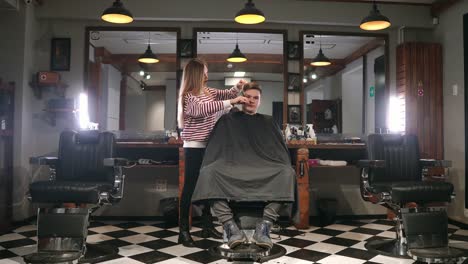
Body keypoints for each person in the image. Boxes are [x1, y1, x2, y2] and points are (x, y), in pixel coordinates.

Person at [192, 82, 296, 250]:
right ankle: (230, 226)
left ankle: (265, 226)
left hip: (263, 167)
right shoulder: (227, 120)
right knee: (208, 173)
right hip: (232, 166)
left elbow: (279, 153)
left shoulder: (268, 121)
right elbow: (216, 148)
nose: (251, 100)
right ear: (241, 99)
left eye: (256, 98)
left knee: (287, 172)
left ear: (260, 101)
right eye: (248, 97)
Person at [177, 58, 248, 247]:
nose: (207, 74)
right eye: (205, 71)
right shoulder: (189, 96)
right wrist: (231, 101)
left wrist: (237, 87)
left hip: (209, 147)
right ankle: (183, 231)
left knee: (209, 186)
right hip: (193, 147)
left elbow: (225, 94)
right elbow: (203, 110)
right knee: (190, 189)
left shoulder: (208, 91)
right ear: (197, 73)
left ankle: (207, 226)